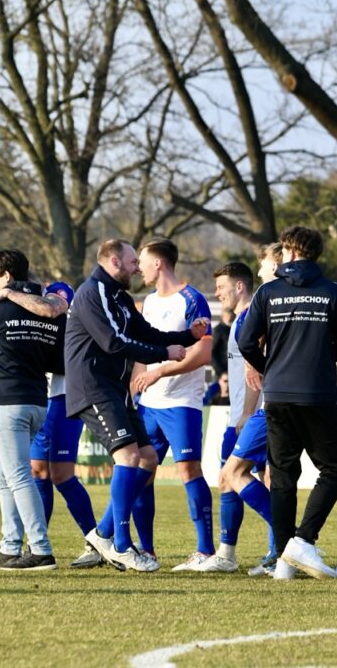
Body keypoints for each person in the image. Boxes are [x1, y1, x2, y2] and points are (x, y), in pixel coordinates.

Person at [65, 239, 204, 573]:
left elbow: (146, 332)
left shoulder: (120, 297)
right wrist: (162, 356)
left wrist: (188, 336)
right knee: (128, 457)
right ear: (114, 261)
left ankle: (102, 535)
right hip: (93, 388)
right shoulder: (93, 291)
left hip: (114, 389)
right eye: (132, 262)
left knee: (149, 459)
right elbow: (114, 342)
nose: (137, 267)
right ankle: (120, 545)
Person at [238, 226, 337, 580]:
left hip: (277, 396)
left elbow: (245, 341)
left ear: (287, 252)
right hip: (317, 392)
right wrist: (320, 357)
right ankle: (302, 541)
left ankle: (285, 561)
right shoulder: (332, 291)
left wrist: (268, 369)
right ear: (316, 254)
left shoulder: (268, 292)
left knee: (283, 476)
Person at [0, 282, 100, 568]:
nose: (54, 306)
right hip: (46, 398)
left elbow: (67, 361)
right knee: (38, 470)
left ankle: (96, 541)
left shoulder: (69, 320)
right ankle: (36, 544)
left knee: (62, 474)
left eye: (60, 302)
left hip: (65, 399)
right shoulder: (38, 318)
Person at [0, 249, 64, 571]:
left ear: (6, 276)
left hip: (8, 404)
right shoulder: (50, 308)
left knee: (19, 476)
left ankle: (40, 550)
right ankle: (10, 545)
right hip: (39, 402)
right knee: (3, 475)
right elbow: (58, 360)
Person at [130, 238, 214, 571]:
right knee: (140, 470)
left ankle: (205, 552)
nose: (138, 267)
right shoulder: (147, 303)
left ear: (159, 263)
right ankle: (146, 551)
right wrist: (134, 387)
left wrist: (162, 371)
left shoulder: (193, 300)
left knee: (188, 470)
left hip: (182, 402)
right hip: (148, 404)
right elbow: (143, 351)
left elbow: (203, 353)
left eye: (142, 260)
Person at [215, 245, 282, 576]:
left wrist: (244, 414)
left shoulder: (257, 315)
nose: (217, 294)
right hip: (242, 413)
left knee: (234, 476)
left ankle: (281, 543)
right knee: (244, 478)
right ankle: (266, 552)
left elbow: (256, 374)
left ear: (239, 287)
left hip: (249, 414)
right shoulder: (243, 318)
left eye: (221, 287)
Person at [210, 309, 233, 377]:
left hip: (231, 370)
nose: (230, 316)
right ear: (223, 315)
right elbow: (212, 352)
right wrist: (221, 372)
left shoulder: (231, 329)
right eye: (228, 313)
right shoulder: (218, 330)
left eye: (231, 313)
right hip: (222, 373)